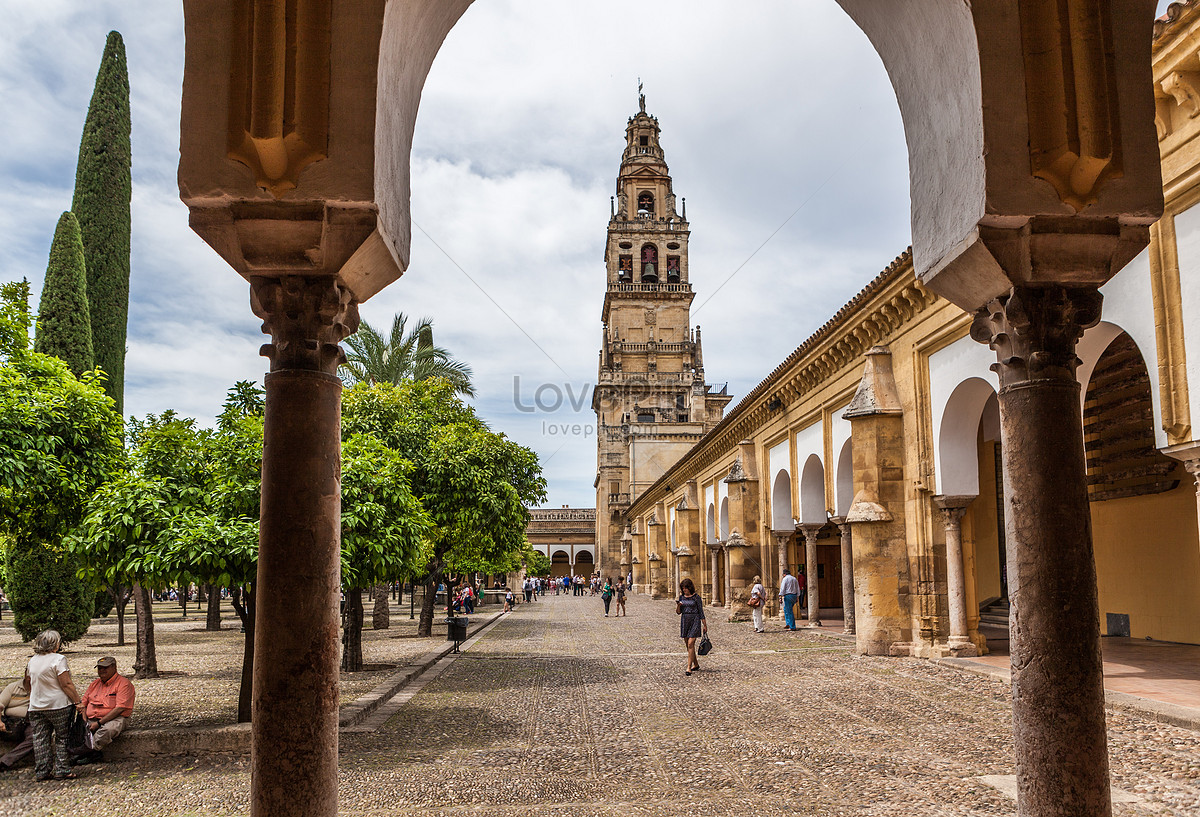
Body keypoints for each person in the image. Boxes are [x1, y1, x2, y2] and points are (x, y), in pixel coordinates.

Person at [26, 629, 83, 781]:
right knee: (62, 737)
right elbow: (66, 684)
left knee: (40, 738)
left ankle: (42, 771)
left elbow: (27, 682)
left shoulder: (32, 660)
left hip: (36, 706)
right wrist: (77, 701)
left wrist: (34, 695)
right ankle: (62, 769)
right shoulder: (59, 659)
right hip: (58, 705)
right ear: (55, 644)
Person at [74, 656, 135, 765]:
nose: (102, 671)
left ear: (114, 667)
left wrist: (99, 723)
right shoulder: (94, 684)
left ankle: (90, 753)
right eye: (100, 668)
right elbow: (83, 704)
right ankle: (82, 753)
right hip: (91, 718)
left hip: (116, 718)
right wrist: (84, 721)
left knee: (107, 731)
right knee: (76, 731)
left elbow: (120, 708)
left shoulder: (124, 684)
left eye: (105, 668)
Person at [0, 674, 32, 771]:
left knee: (35, 737)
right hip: (10, 721)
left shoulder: (41, 689)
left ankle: (4, 761)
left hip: (29, 722)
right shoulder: (13, 687)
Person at [676, 578, 707, 675]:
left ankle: (688, 667)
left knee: (690, 643)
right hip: (685, 621)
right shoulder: (682, 597)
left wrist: (704, 625)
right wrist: (679, 605)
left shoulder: (696, 598)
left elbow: (701, 612)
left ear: (690, 587)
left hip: (695, 620)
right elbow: (678, 612)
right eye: (683, 588)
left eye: (685, 588)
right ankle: (696, 664)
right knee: (689, 645)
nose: (684, 590)